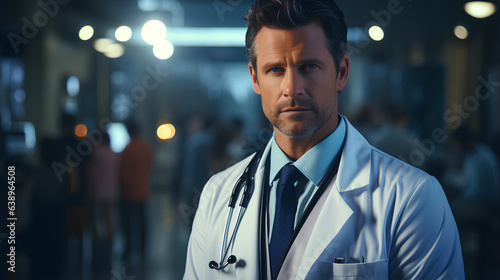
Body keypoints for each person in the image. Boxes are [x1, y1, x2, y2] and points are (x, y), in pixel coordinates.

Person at [184, 0, 464, 279]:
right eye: (275, 70)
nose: (292, 89)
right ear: (255, 79)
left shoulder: (412, 199)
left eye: (309, 66)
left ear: (341, 72)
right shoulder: (217, 194)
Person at [119, 120, 153, 264]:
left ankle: (128, 250)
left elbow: (122, 172)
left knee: (128, 223)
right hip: (143, 189)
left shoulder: (127, 149)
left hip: (128, 191)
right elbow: (151, 165)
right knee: (142, 221)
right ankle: (142, 249)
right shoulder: (146, 146)